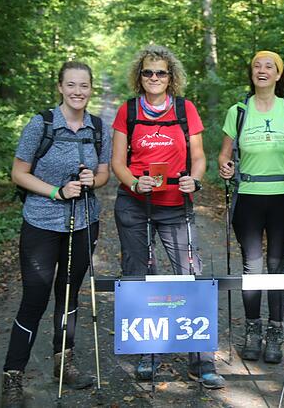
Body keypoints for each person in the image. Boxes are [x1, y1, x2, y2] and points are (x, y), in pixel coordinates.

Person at [110, 44, 225, 389]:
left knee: (189, 274)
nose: (155, 77)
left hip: (176, 204)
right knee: (139, 274)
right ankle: (148, 350)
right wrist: (134, 181)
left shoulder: (185, 109)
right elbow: (117, 161)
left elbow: (200, 157)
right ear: (139, 76)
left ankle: (200, 359)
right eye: (148, 72)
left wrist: (196, 179)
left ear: (171, 76)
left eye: (161, 72)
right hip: (134, 204)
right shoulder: (127, 111)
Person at [2, 61, 112, 406]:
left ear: (91, 89)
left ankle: (64, 364)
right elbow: (19, 173)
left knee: (68, 295)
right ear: (61, 88)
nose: (78, 91)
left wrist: (93, 180)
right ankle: (12, 375)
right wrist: (56, 191)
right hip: (41, 222)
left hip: (83, 222)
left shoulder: (97, 126)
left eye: (84, 85)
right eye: (72, 85)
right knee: (34, 297)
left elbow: (105, 173)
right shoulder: (42, 124)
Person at [217, 51, 284, 363]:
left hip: (282, 196)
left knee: (276, 265)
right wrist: (226, 167)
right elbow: (224, 154)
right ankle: (253, 330)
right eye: (257, 66)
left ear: (279, 74)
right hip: (249, 196)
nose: (262, 70)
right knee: (252, 267)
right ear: (251, 73)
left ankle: (275, 332)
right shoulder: (239, 110)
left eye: (269, 66)